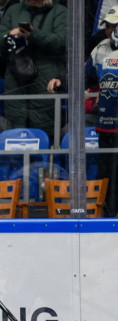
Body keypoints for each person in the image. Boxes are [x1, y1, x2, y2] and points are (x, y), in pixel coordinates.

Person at [0, 0, 67, 139]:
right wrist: (9, 35)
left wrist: (32, 34)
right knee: (15, 129)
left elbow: (61, 41)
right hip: (15, 76)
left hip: (46, 77)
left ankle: (45, 160)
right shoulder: (14, 9)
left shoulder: (59, 11)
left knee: (44, 128)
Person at [85, 9, 118, 217]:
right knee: (106, 172)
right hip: (105, 124)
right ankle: (107, 215)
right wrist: (62, 81)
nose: (109, 29)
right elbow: (86, 77)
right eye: (107, 25)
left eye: (113, 25)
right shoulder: (100, 49)